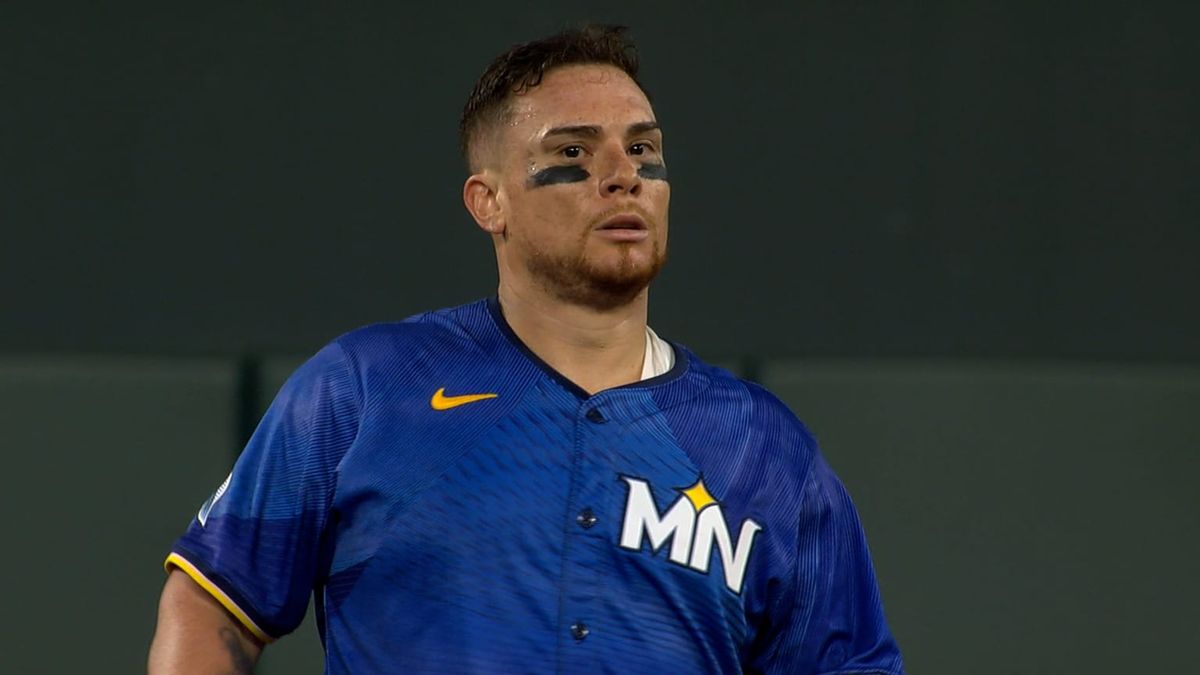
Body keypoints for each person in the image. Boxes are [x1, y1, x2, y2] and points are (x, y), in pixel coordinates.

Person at [148, 24, 903, 674]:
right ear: (489, 201)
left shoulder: (764, 449)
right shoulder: (367, 388)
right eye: (575, 150)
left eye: (644, 149)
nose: (624, 177)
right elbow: (213, 603)